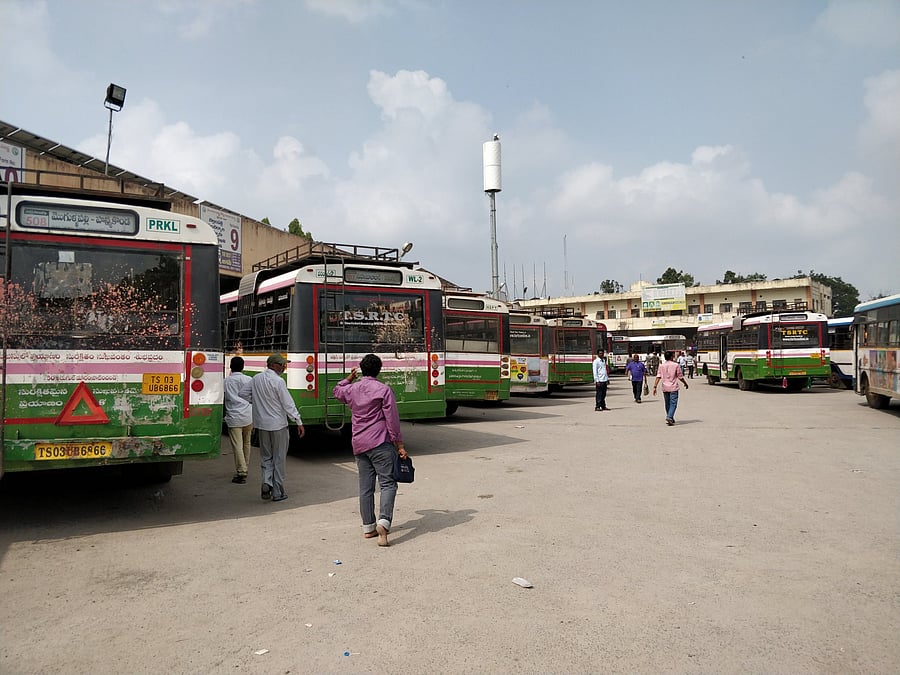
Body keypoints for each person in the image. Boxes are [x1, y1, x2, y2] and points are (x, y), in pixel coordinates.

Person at [333, 354, 407, 547]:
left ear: (362, 369)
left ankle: (368, 527)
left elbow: (337, 390)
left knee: (365, 488)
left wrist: (349, 378)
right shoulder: (383, 390)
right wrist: (399, 444)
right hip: (380, 443)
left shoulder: (351, 389)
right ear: (379, 370)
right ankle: (384, 522)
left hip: (359, 444)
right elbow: (392, 420)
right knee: (388, 484)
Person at [239, 354, 304, 502]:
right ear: (273, 365)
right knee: (279, 458)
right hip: (278, 425)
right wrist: (298, 421)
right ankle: (277, 491)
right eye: (281, 364)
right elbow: (288, 404)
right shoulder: (278, 381)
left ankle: (266, 482)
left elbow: (242, 393)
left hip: (261, 425)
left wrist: (256, 402)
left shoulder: (256, 379)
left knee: (266, 456)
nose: (283, 367)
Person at [223, 356, 253, 484]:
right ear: (243, 367)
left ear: (231, 367)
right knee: (247, 443)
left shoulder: (226, 381)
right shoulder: (249, 380)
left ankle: (242, 471)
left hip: (234, 417)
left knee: (237, 446)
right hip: (248, 415)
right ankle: (245, 466)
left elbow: (223, 397)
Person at [652, 350, 689, 426]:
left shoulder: (661, 366)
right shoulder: (676, 365)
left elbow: (658, 377)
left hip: (665, 387)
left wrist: (655, 386)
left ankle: (670, 417)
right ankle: (669, 416)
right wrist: (685, 383)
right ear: (672, 357)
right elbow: (680, 376)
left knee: (667, 403)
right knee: (673, 403)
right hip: (673, 387)